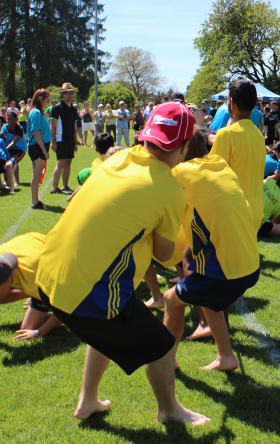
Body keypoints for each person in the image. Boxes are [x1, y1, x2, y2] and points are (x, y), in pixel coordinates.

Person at [35, 102, 209, 425]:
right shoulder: (170, 188)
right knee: (161, 345)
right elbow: (163, 253)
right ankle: (169, 411)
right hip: (88, 291)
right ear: (184, 147)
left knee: (107, 327)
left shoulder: (117, 158)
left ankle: (87, 400)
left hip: (48, 277)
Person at [163, 128, 260, 373]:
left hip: (225, 271)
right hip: (250, 264)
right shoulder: (219, 163)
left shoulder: (180, 173)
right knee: (209, 299)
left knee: (171, 300)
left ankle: (166, 360)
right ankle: (226, 356)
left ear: (180, 150)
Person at [209, 79, 265, 231]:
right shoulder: (258, 135)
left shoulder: (226, 134)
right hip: (256, 209)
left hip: (233, 210)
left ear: (232, 103)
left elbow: (212, 175)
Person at [26, 89, 52, 210]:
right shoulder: (35, 112)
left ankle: (36, 200)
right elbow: (36, 132)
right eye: (47, 100)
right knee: (36, 175)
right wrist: (44, 151)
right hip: (37, 147)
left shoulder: (38, 112)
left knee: (37, 174)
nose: (48, 103)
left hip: (40, 146)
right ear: (40, 99)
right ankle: (35, 201)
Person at [259, 171, 280, 237]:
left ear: (278, 178)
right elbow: (273, 217)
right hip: (256, 224)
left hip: (243, 214)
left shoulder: (268, 181)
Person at [0, 109, 26, 185]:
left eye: (12, 119)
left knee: (14, 161)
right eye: (8, 119)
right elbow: (1, 139)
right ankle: (6, 181)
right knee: (5, 161)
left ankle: (17, 182)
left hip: (20, 148)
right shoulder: (5, 127)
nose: (10, 121)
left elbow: (14, 142)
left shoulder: (19, 128)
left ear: (16, 120)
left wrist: (4, 150)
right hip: (8, 148)